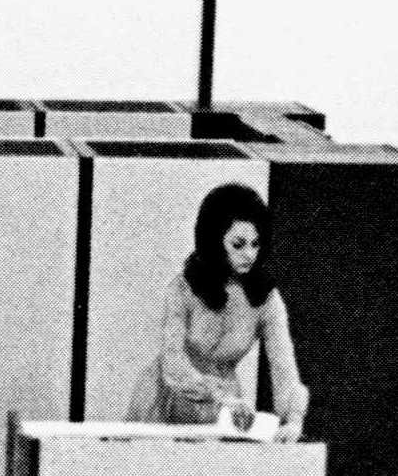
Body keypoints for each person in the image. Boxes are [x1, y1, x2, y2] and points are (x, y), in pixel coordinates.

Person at [122, 181, 310, 435]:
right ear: (214, 241)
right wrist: (219, 395)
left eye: (256, 244)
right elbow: (172, 361)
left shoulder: (266, 298)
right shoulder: (183, 287)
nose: (250, 254)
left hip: (226, 408)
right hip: (165, 398)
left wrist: (293, 420)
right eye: (238, 244)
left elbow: (283, 365)